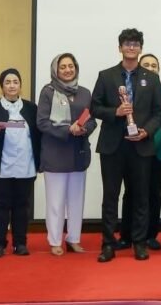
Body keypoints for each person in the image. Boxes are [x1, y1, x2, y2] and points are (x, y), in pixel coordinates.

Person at [90, 28, 161, 262]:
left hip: (140, 146)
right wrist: (116, 112)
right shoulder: (106, 76)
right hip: (113, 145)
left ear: (140, 48)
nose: (131, 47)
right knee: (110, 197)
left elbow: (158, 112)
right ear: (120, 47)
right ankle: (108, 244)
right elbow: (94, 108)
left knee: (141, 196)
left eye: (135, 44)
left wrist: (146, 131)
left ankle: (139, 243)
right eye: (127, 44)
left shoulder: (151, 78)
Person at [0, 69, 41, 257]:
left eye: (15, 82)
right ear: (1, 86)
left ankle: (20, 243)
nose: (12, 85)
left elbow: (38, 136)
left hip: (26, 165)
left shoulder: (31, 108)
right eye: (8, 82)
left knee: (22, 206)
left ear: (20, 85)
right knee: (0, 205)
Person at [37, 53, 97, 256]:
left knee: (76, 200)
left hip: (78, 153)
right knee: (55, 201)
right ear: (56, 70)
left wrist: (84, 129)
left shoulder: (85, 93)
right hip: (55, 153)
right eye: (62, 67)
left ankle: (73, 239)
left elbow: (92, 120)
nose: (67, 70)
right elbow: (42, 122)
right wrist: (67, 130)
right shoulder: (48, 92)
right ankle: (55, 241)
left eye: (71, 66)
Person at [118, 54, 161, 251]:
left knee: (153, 193)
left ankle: (150, 235)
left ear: (159, 69)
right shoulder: (132, 87)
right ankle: (126, 235)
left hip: (156, 150)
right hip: (135, 150)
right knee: (131, 193)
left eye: (154, 65)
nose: (150, 67)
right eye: (146, 64)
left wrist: (150, 140)